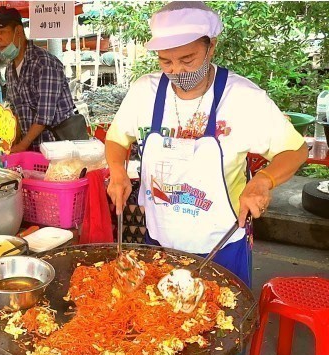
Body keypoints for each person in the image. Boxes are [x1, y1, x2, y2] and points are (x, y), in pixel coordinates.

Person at [105, 1, 308, 286]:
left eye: (187, 59)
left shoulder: (242, 98)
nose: (176, 70)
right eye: (165, 61)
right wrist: (117, 170)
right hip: (159, 240)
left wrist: (263, 180)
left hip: (222, 245)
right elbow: (116, 138)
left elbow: (296, 150)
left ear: (211, 46)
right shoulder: (143, 93)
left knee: (223, 324)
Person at [0, 6, 75, 152]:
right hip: (30, 148)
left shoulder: (44, 63)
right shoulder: (10, 69)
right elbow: (15, 109)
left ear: (18, 31)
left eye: (2, 32)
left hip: (56, 147)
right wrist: (13, 139)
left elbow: (44, 116)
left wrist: (22, 145)